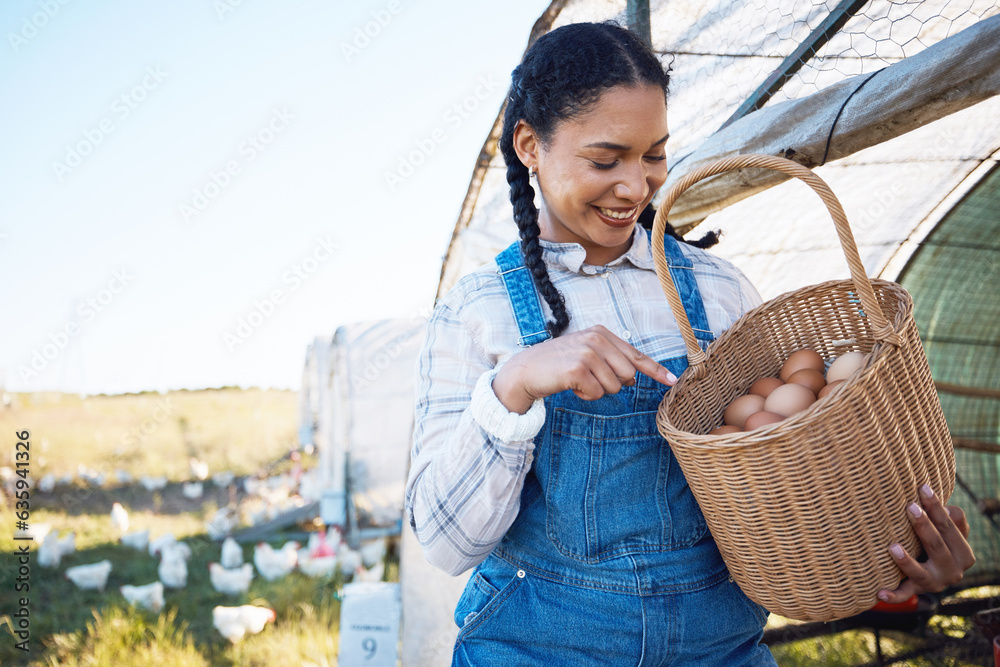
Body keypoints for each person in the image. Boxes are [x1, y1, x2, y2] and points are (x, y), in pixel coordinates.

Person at [405, 21, 975, 665]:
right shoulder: (478, 311)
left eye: (653, 155)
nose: (635, 186)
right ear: (530, 145)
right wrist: (514, 385)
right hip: (543, 645)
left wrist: (892, 553)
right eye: (605, 159)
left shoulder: (716, 289)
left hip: (718, 647)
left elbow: (778, 484)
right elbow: (447, 546)